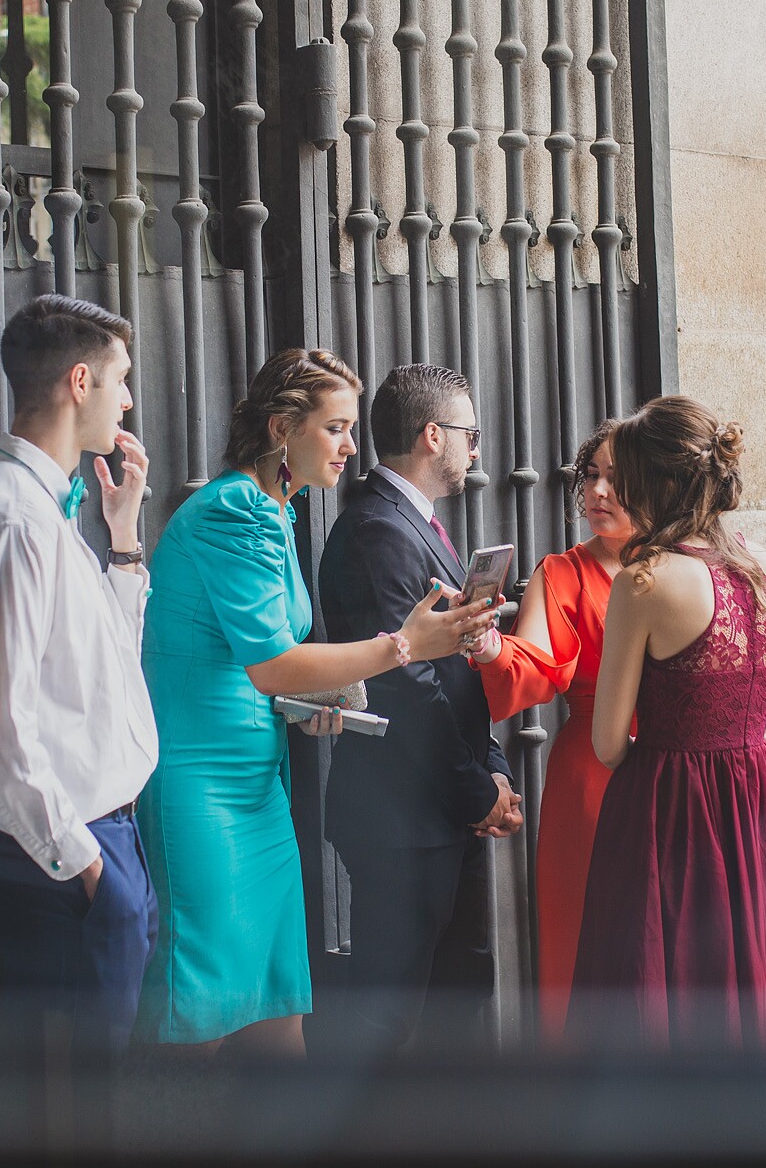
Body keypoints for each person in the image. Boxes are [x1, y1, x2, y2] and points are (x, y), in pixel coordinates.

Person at [134, 350, 496, 1058]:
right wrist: (405, 645)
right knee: (207, 1016)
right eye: (335, 427)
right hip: (201, 787)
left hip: (258, 787)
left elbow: (266, 671)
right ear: (281, 428)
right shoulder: (233, 510)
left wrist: (321, 700)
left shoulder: (275, 507)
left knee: (278, 1009)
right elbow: (270, 663)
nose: (352, 445)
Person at [0, 294, 158, 1058]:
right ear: (80, 382)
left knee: (92, 1088)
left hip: (91, 837)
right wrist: (86, 865)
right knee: (71, 1094)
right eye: (122, 379)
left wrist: (122, 539)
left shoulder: (45, 510)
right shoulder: (15, 521)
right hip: (59, 849)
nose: (129, 398)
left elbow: (105, 667)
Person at [568, 396, 766, 1055]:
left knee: (662, 984)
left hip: (669, 808)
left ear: (649, 481)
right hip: (753, 795)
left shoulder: (645, 579)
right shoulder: (759, 563)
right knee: (749, 977)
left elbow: (608, 742)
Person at [312, 364, 519, 1058]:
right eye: (470, 434)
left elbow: (457, 662)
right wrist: (476, 790)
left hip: (438, 808)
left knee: (455, 998)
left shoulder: (411, 521)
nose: (477, 450)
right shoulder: (380, 531)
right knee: (388, 1018)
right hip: (402, 815)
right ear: (434, 435)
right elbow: (408, 685)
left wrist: (490, 768)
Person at [466, 420, 629, 1042]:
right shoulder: (564, 571)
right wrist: (487, 648)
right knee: (589, 944)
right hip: (594, 778)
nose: (599, 490)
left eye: (619, 478)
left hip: (687, 772)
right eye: (592, 475)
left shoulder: (705, 561)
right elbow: (534, 662)